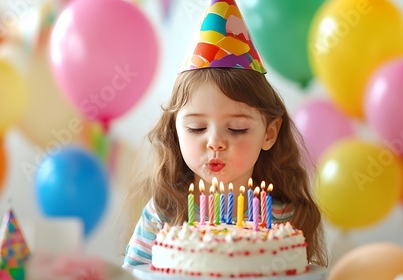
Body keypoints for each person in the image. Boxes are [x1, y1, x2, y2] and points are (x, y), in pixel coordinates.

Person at [121, 0, 327, 271]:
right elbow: (134, 274)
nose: (215, 142)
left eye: (237, 129)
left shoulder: (284, 221)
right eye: (196, 128)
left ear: (270, 133)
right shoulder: (163, 215)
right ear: (175, 131)